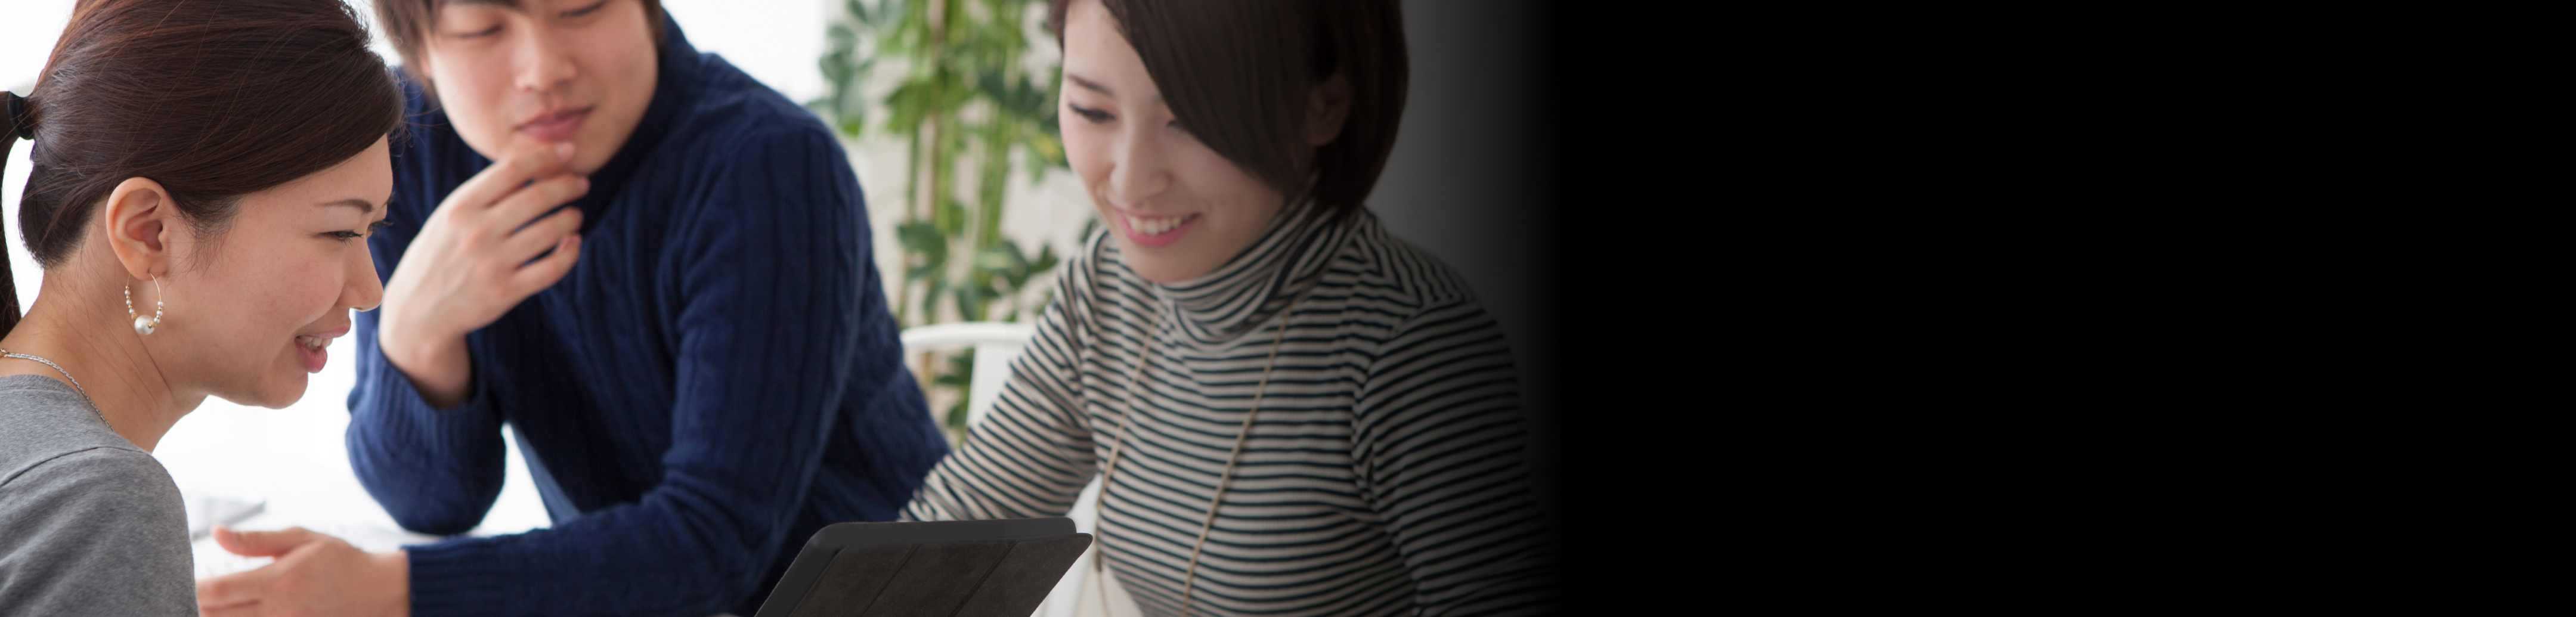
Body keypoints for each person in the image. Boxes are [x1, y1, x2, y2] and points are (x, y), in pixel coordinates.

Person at [192, 1, 951, 615]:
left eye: (583, 9)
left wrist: (382, 590)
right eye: (486, 27)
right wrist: (419, 328)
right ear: (421, 46)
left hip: (885, 597)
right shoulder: (410, 150)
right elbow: (432, 503)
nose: (545, 70)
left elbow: (717, 544)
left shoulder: (767, 165)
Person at [897, 0, 1557, 615]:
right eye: (1093, 112)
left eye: (1189, 120)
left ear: (1324, 108)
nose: (1130, 181)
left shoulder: (1413, 347)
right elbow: (954, 541)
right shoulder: (1105, 289)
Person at [0, 1, 402, 615]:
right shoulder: (99, 501)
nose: (369, 291)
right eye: (340, 233)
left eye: (372, 232)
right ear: (149, 233)